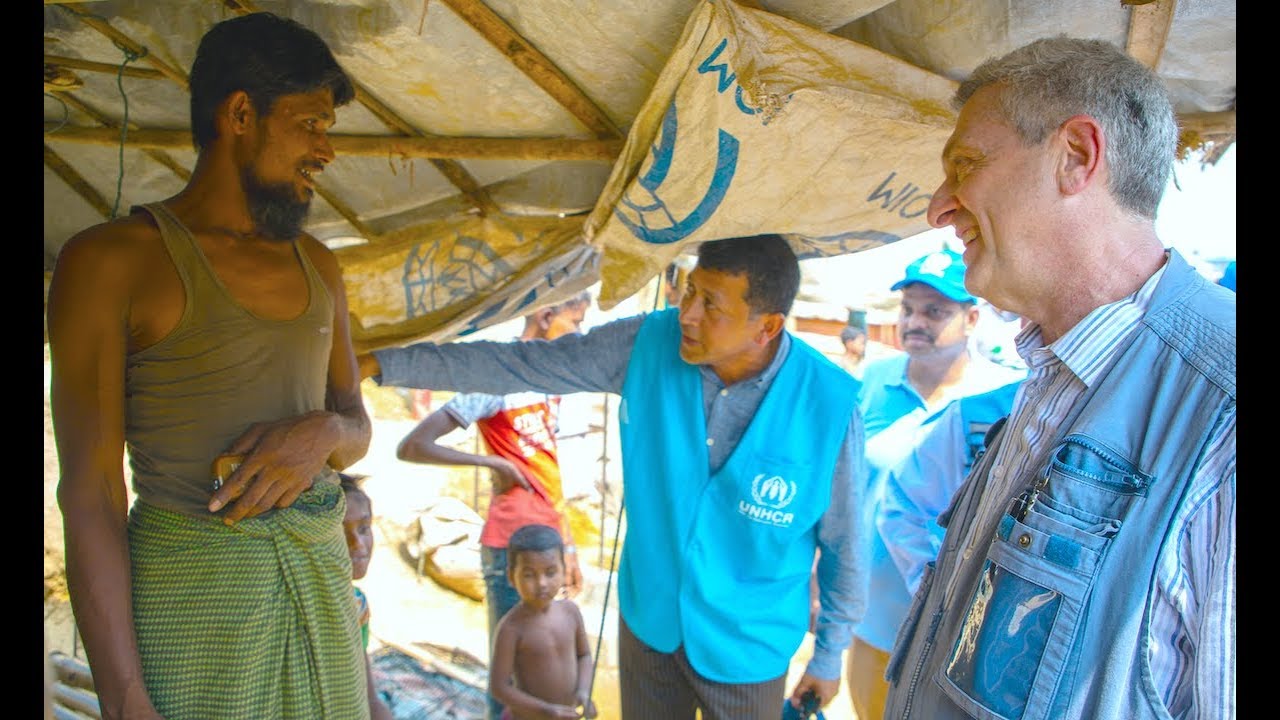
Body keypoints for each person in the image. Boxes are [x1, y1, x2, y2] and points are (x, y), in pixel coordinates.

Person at [360, 233, 866, 719]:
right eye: (689, 290)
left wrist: (829, 654)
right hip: (650, 622)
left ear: (768, 326)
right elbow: (518, 365)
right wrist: (381, 364)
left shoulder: (829, 403)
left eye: (711, 304)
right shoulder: (646, 343)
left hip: (747, 646)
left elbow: (847, 543)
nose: (687, 314)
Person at [882, 36, 1235, 719]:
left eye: (966, 165)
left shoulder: (1221, 408)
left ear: (1075, 158)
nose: (939, 207)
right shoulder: (1055, 372)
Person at [46, 12, 374, 719]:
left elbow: (356, 427)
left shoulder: (319, 264)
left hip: (318, 591)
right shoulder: (110, 261)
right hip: (193, 609)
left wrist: (320, 434)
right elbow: (92, 497)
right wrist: (127, 698)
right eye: (311, 124)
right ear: (240, 114)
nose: (327, 150)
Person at [844, 247, 1024, 720]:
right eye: (907, 310)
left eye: (934, 311)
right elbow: (840, 488)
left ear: (971, 318)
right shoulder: (871, 382)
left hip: (959, 626)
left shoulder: (1002, 400)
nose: (915, 322)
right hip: (874, 617)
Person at [393, 292, 592, 720]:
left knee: (545, 667)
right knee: (510, 675)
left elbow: (549, 471)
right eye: (575, 324)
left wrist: (569, 547)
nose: (581, 335)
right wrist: (490, 461)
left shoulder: (552, 383)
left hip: (548, 541)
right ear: (545, 316)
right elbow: (413, 445)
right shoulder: (496, 380)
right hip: (509, 549)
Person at [489, 523, 598, 720]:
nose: (541, 583)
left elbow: (584, 656)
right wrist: (546, 711)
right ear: (511, 577)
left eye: (550, 572)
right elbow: (498, 687)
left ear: (564, 570)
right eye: (529, 574)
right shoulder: (511, 628)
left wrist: (583, 691)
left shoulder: (571, 612)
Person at [340, 474, 395, 720]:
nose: (358, 544)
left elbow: (365, 686)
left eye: (364, 529)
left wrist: (376, 707)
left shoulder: (357, 603)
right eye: (340, 533)